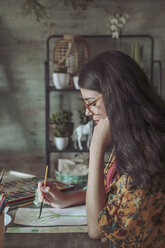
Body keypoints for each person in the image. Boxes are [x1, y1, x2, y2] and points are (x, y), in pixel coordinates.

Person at [37, 50, 165, 247]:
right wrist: (66, 199)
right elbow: (113, 194)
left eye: (92, 103)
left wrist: (95, 149)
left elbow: (97, 229)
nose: (88, 112)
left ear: (119, 96)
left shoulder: (148, 154)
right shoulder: (130, 135)